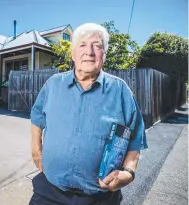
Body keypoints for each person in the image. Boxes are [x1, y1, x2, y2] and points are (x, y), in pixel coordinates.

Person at [30, 22, 148, 205]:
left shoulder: (121, 91)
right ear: (73, 54)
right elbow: (37, 116)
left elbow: (135, 138)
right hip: (48, 192)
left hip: (100, 199)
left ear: (104, 55)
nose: (90, 52)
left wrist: (128, 173)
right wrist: (36, 151)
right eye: (82, 45)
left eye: (97, 46)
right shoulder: (53, 85)